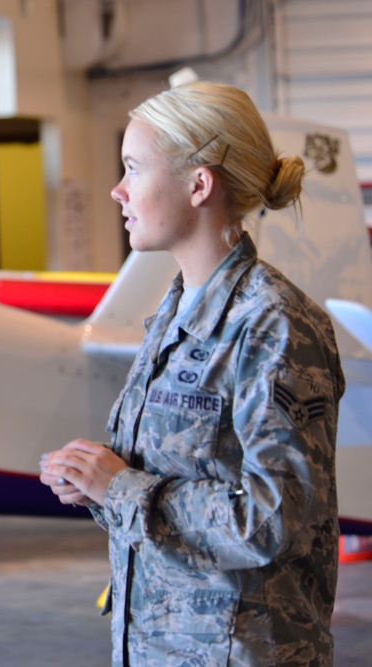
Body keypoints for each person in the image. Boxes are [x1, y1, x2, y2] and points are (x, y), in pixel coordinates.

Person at [39, 81, 344, 666]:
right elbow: (180, 475)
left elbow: (273, 517)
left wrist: (120, 487)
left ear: (198, 184)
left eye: (133, 168)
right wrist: (96, 480)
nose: (117, 190)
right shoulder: (174, 315)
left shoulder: (274, 325)